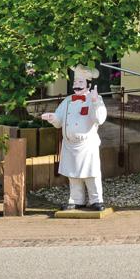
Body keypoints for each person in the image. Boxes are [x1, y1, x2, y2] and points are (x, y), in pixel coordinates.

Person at [42, 65, 107, 211]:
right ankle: (76, 200)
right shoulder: (67, 100)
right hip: (69, 145)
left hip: (87, 145)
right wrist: (53, 118)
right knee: (73, 175)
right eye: (75, 82)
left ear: (88, 85)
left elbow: (100, 119)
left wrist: (96, 102)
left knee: (91, 173)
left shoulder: (95, 99)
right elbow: (59, 120)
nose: (76, 85)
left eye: (80, 82)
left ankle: (97, 200)